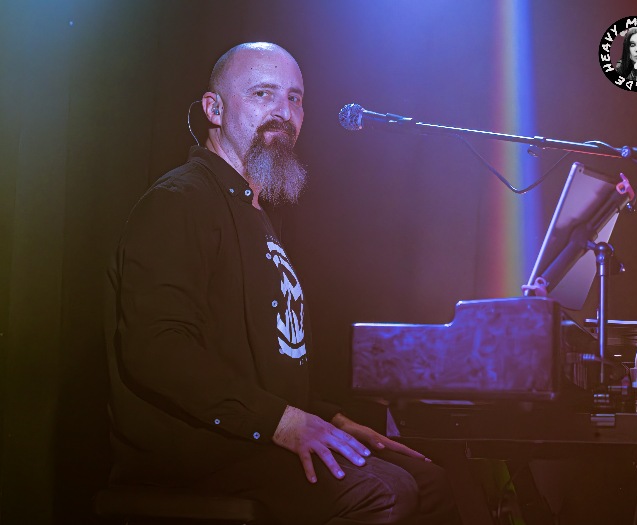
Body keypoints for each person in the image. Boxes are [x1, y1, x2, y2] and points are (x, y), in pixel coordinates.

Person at [105, 42, 463, 525]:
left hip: (252, 436)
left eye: (294, 98)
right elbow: (157, 349)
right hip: (200, 454)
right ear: (214, 109)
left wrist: (332, 419)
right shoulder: (180, 201)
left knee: (430, 480)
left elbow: (261, 369)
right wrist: (284, 421)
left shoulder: (258, 214)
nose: (283, 112)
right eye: (262, 94)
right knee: (385, 492)